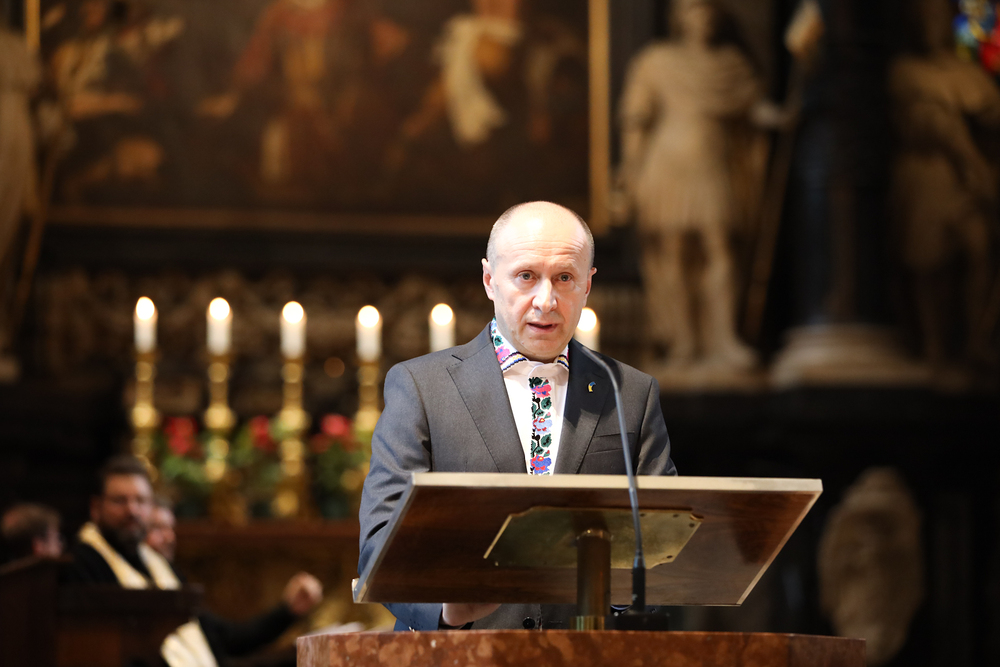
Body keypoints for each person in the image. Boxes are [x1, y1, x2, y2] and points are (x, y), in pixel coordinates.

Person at [359, 201, 677, 632]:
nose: (546, 301)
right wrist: (447, 611)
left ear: (587, 284)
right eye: (526, 276)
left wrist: (626, 596)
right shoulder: (421, 386)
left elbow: (666, 541)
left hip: (589, 654)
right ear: (490, 280)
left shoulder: (631, 392)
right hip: (459, 654)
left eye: (564, 278)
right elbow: (380, 542)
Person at [65, 455, 323, 667]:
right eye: (119, 501)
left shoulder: (156, 565)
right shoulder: (83, 564)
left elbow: (222, 638)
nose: (132, 510)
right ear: (96, 507)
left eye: (140, 500)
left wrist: (288, 611)